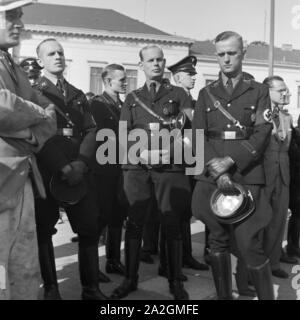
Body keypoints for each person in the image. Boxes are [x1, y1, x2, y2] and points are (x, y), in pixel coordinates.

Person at [191, 31, 274, 300]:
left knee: (250, 243)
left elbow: (261, 133)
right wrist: (216, 171)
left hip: (246, 174)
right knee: (216, 240)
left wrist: (230, 161)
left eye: (232, 53)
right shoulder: (206, 93)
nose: (226, 59)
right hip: (211, 175)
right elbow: (198, 136)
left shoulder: (259, 91)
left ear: (242, 53)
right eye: (221, 54)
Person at [111, 44, 193, 300]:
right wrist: (142, 154)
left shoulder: (179, 94)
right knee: (135, 223)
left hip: (170, 166)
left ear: (164, 62)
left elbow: (190, 130)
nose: (155, 64)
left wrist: (172, 152)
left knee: (171, 223)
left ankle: (175, 280)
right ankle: (130, 279)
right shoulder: (132, 98)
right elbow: (123, 134)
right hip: (138, 167)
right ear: (142, 65)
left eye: (159, 60)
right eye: (150, 60)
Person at [34, 38, 107, 300]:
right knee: (44, 229)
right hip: (48, 170)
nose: (58, 57)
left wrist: (82, 162)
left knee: (88, 227)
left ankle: (91, 288)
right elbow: (39, 134)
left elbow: (91, 129)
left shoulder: (77, 94)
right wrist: (61, 165)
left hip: (78, 171)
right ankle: (52, 288)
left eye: (61, 53)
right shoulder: (33, 92)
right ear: (40, 61)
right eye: (51, 53)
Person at [0, 0, 56, 300]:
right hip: (2, 180)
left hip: (21, 179)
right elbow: (2, 107)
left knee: (24, 269)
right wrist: (37, 115)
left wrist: (29, 133)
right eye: (11, 15)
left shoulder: (12, 65)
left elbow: (51, 114)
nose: (20, 22)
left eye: (20, 14)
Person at [166, 55, 209, 272]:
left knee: (184, 212)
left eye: (193, 74)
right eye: (189, 74)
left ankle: (184, 256)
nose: (193, 77)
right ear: (176, 77)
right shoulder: (174, 98)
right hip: (179, 161)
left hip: (191, 160)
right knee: (178, 211)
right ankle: (176, 259)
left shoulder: (190, 100)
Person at [90, 64, 127, 279]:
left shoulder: (123, 105)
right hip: (103, 168)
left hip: (120, 167)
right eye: (120, 79)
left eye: (125, 79)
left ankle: (113, 261)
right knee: (100, 216)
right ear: (107, 81)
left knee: (117, 215)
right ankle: (92, 266)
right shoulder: (97, 104)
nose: (125, 83)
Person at [263, 76, 297, 278]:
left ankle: (274, 262)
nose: (285, 93)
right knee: (260, 222)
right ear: (268, 91)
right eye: (280, 90)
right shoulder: (259, 114)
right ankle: (254, 266)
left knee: (278, 221)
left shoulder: (286, 117)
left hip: (283, 174)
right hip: (264, 174)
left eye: (286, 90)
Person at [287, 115, 300, 259]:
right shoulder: (296, 134)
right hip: (294, 179)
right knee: (296, 214)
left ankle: (293, 246)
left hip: (293, 178)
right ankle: (292, 246)